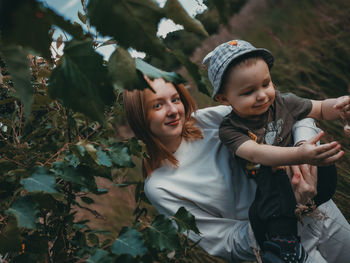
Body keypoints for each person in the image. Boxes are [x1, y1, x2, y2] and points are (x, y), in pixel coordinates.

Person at [123, 76, 350, 262]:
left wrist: (302, 153)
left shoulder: (209, 120)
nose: (173, 110)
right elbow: (225, 242)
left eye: (175, 99)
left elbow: (294, 115)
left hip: (321, 211)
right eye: (158, 105)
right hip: (289, 248)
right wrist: (284, 213)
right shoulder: (159, 185)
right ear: (140, 116)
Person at [202, 39, 350, 262]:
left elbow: (318, 108)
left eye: (265, 84)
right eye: (248, 92)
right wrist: (299, 154)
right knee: (267, 192)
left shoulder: (282, 102)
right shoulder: (230, 129)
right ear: (224, 98)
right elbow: (255, 153)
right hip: (276, 195)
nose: (262, 95)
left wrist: (338, 106)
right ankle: (283, 241)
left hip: (313, 182)